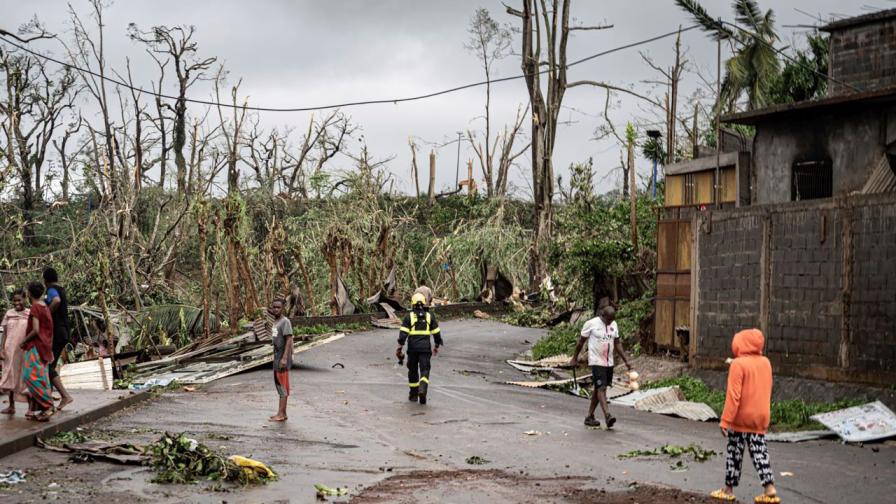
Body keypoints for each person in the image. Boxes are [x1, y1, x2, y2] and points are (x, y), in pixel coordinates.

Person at [710, 329, 780, 504]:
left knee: (734, 452)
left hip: (741, 418)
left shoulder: (738, 364)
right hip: (761, 416)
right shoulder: (766, 363)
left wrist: (725, 420)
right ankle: (769, 487)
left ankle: (728, 489)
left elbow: (734, 396)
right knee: (759, 452)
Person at [569, 306, 632, 429]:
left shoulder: (614, 325)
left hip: (609, 362)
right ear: (603, 316)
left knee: (600, 389)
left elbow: (617, 343)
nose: (610, 322)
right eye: (608, 320)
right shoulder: (591, 324)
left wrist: (626, 360)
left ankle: (589, 416)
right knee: (601, 388)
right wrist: (574, 358)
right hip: (596, 361)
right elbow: (581, 342)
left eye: (612, 320)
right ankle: (607, 415)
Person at [397, 293, 442, 405]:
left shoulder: (409, 317)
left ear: (412, 304)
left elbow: (403, 335)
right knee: (425, 370)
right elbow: (436, 333)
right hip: (425, 349)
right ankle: (422, 388)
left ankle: (413, 395)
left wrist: (399, 348)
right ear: (424, 303)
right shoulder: (429, 316)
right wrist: (436, 345)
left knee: (412, 371)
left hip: (412, 349)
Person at [20, 282, 55, 422]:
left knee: (30, 376)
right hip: (45, 346)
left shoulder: (35, 307)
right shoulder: (45, 307)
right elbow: (49, 330)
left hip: (35, 346)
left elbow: (35, 329)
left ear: (29, 293)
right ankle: (40, 409)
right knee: (42, 378)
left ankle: (48, 406)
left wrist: (24, 341)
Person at [43, 267, 73, 410]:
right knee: (51, 365)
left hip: (57, 333)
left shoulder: (51, 290)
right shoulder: (61, 288)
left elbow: (55, 301)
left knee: (47, 366)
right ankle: (48, 398)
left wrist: (45, 315)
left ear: (45, 281)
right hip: (64, 331)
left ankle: (65, 396)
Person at [0, 290, 30, 414]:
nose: (17, 302)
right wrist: (1, 349)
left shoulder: (30, 313)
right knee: (10, 375)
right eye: (15, 300)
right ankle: (11, 406)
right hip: (9, 350)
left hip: (23, 351)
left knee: (24, 376)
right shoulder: (9, 313)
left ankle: (30, 408)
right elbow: (5, 333)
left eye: (19, 300)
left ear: (25, 299)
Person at [268, 299, 293, 422]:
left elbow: (289, 339)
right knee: (279, 384)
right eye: (274, 307)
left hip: (282, 357)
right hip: (277, 356)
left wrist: (284, 358)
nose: (276, 309)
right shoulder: (276, 321)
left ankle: (281, 415)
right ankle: (282, 412)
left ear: (283, 308)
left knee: (282, 385)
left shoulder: (285, 321)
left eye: (278, 307)